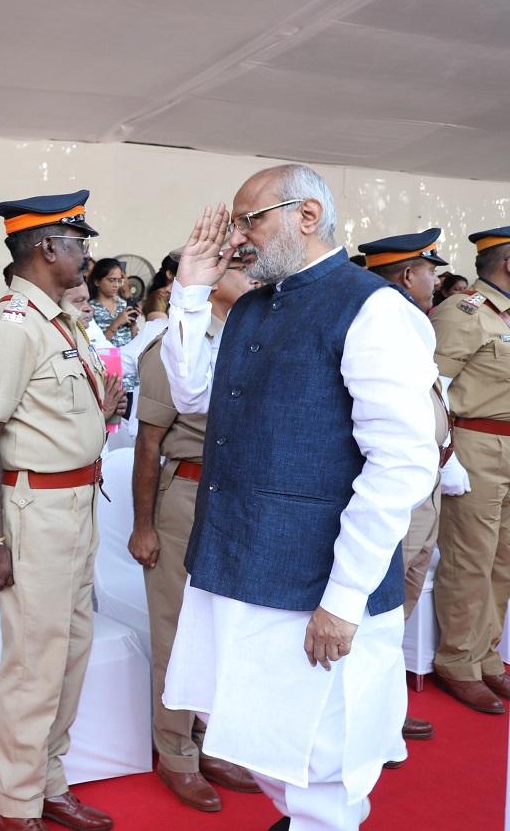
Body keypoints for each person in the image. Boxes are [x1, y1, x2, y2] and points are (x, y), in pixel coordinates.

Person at [160, 164, 438, 830]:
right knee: (242, 722)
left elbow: (400, 462)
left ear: (307, 216)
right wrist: (192, 293)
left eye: (250, 219)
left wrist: (342, 601)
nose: (239, 236)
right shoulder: (255, 302)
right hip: (234, 563)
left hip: (312, 583)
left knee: (319, 754)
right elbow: (193, 394)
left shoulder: (371, 306)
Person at [0, 189, 124, 831]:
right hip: (35, 510)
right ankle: (17, 803)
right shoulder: (11, 324)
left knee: (71, 650)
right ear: (47, 248)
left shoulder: (60, 321)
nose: (86, 254)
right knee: (35, 660)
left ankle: (48, 777)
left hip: (79, 504)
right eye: (78, 243)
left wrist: (101, 414)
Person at [128, 254, 259, 813]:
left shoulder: (253, 337)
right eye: (242, 267)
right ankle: (177, 752)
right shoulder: (175, 346)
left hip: (241, 501)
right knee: (179, 630)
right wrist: (143, 526)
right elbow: (148, 444)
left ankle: (214, 739)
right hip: (187, 496)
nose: (254, 276)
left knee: (226, 630)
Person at [357, 227, 468, 738]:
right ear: (407, 274)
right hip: (396, 484)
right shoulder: (382, 321)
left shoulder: (409, 320)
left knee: (403, 596)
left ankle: (380, 703)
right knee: (377, 603)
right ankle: (364, 710)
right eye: (429, 270)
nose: (434, 280)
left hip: (424, 481)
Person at [429, 226, 510, 715]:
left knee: (503, 559)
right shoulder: (463, 313)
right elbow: (432, 388)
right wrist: (447, 454)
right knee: (470, 558)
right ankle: (458, 660)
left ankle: (487, 656)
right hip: (475, 444)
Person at [88, 258, 140, 414]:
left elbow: (134, 340)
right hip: (105, 378)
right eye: (111, 280)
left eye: (119, 280)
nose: (116, 285)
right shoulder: (90, 308)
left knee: (127, 427)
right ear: (97, 281)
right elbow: (94, 346)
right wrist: (116, 323)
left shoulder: (125, 305)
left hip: (128, 377)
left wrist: (133, 325)